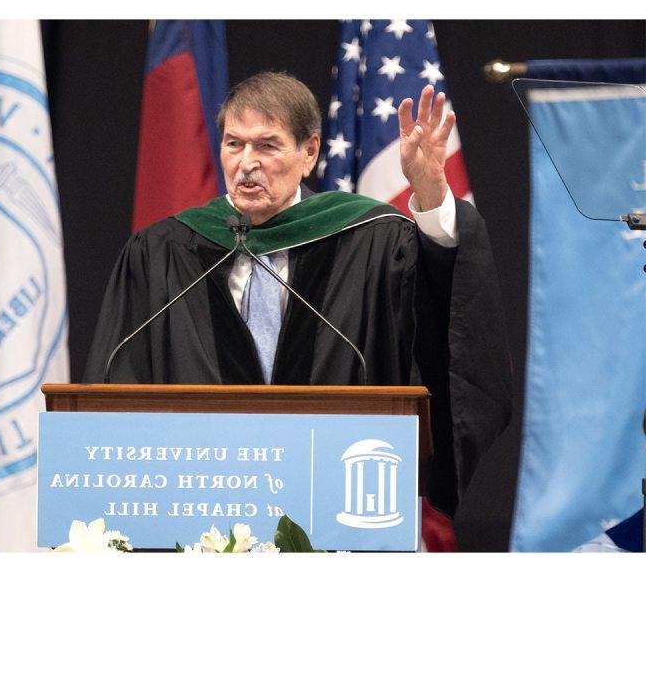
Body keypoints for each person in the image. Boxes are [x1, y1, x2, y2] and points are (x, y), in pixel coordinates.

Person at [84, 72, 511, 517]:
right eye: (234, 144)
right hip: (196, 504)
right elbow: (118, 385)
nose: (247, 162)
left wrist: (429, 192)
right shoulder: (164, 252)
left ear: (308, 152)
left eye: (267, 145)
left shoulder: (368, 239)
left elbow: (445, 307)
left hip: (335, 502)